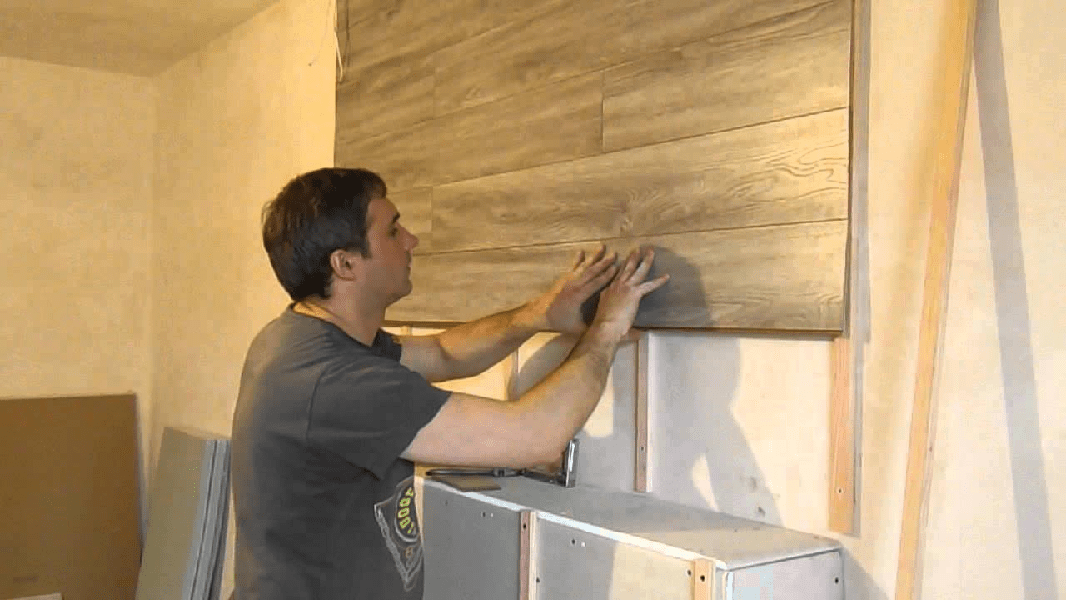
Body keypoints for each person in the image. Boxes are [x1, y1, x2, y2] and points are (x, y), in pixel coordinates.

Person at [230, 167, 669, 600]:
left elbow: (442, 352)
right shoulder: (334, 381)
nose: (411, 241)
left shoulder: (305, 339)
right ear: (345, 264)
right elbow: (536, 437)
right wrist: (606, 330)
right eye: (393, 231)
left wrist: (539, 314)